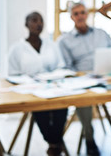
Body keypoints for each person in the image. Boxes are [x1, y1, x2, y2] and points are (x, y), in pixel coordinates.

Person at [58, 3, 111, 156]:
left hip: (107, 79)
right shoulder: (64, 40)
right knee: (83, 101)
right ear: (71, 17)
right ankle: (90, 140)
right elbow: (66, 68)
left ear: (87, 14)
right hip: (83, 81)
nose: (80, 16)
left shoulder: (101, 33)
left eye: (82, 12)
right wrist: (80, 77)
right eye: (76, 14)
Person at [8, 12, 67, 156]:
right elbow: (12, 74)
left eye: (41, 20)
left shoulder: (51, 45)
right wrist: (28, 81)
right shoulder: (17, 49)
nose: (38, 23)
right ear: (26, 24)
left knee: (62, 104)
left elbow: (60, 66)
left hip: (53, 87)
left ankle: (54, 143)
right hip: (31, 90)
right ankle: (55, 143)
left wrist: (54, 77)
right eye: (34, 20)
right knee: (40, 107)